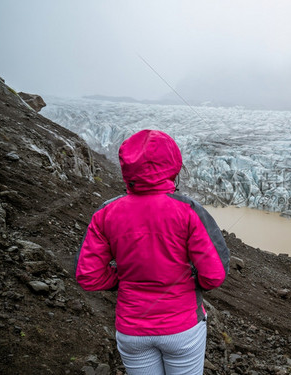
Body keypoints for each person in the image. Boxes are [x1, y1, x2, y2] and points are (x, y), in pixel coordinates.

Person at [75, 129, 230, 375]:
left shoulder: (106, 212)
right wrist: (191, 280)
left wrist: (121, 278)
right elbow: (214, 274)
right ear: (172, 164)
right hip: (182, 328)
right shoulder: (188, 210)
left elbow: (88, 275)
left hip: (131, 329)